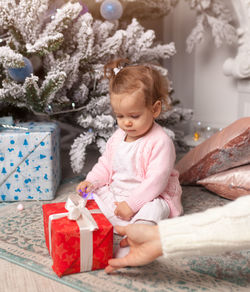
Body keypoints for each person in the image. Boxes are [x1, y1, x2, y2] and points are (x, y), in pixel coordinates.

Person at [76, 59, 183, 254]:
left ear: (155, 109)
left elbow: (156, 181)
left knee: (156, 209)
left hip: (148, 197)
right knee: (92, 197)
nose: (126, 123)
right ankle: (98, 225)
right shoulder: (117, 138)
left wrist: (132, 205)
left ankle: (136, 236)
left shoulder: (160, 142)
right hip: (118, 194)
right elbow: (106, 165)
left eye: (134, 116)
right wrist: (91, 181)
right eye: (120, 116)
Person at [104, 194, 250, 273]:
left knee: (155, 206)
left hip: (153, 199)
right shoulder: (115, 141)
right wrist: (159, 237)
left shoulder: (160, 142)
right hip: (120, 197)